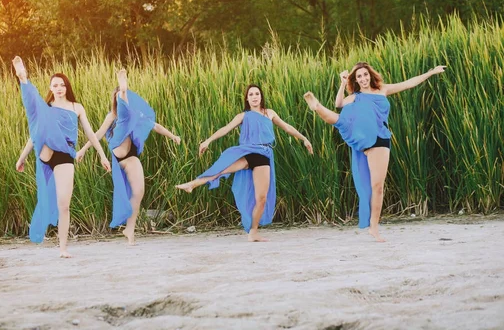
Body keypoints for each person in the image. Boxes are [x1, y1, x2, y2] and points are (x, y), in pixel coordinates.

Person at [303, 62, 446, 242]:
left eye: (365, 75)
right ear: (355, 80)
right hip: (362, 135)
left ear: (370, 75)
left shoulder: (383, 90)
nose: (363, 79)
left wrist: (431, 73)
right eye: (359, 77)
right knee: (341, 120)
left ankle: (374, 227)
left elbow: (409, 83)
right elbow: (339, 103)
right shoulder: (355, 96)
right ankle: (317, 107)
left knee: (377, 187)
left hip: (380, 138)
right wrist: (342, 83)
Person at [176, 84, 314, 242]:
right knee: (222, 169)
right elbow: (225, 129)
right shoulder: (243, 116)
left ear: (261, 96)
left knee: (261, 198)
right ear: (247, 99)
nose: (254, 97)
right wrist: (207, 141)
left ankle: (253, 232)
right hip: (248, 152)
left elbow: (287, 127)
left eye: (257, 93)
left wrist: (304, 139)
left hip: (263, 155)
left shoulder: (269, 113)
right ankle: (192, 184)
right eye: (251, 94)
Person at [13, 56, 110, 257]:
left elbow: (91, 134)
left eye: (62, 85)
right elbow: (35, 135)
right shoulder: (47, 108)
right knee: (37, 110)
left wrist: (102, 155)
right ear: (50, 88)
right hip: (46, 151)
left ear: (67, 87)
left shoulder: (77, 107)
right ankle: (23, 79)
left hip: (64, 154)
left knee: (63, 204)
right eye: (55, 85)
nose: (59, 88)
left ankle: (63, 248)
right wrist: (22, 157)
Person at [76, 69, 180, 245]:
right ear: (116, 100)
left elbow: (157, 127)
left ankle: (129, 229)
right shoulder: (113, 116)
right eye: (118, 96)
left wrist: (173, 137)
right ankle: (123, 86)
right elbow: (98, 133)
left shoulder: (138, 116)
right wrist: (84, 149)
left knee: (138, 192)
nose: (120, 100)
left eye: (123, 96)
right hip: (117, 154)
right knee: (125, 118)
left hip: (130, 157)